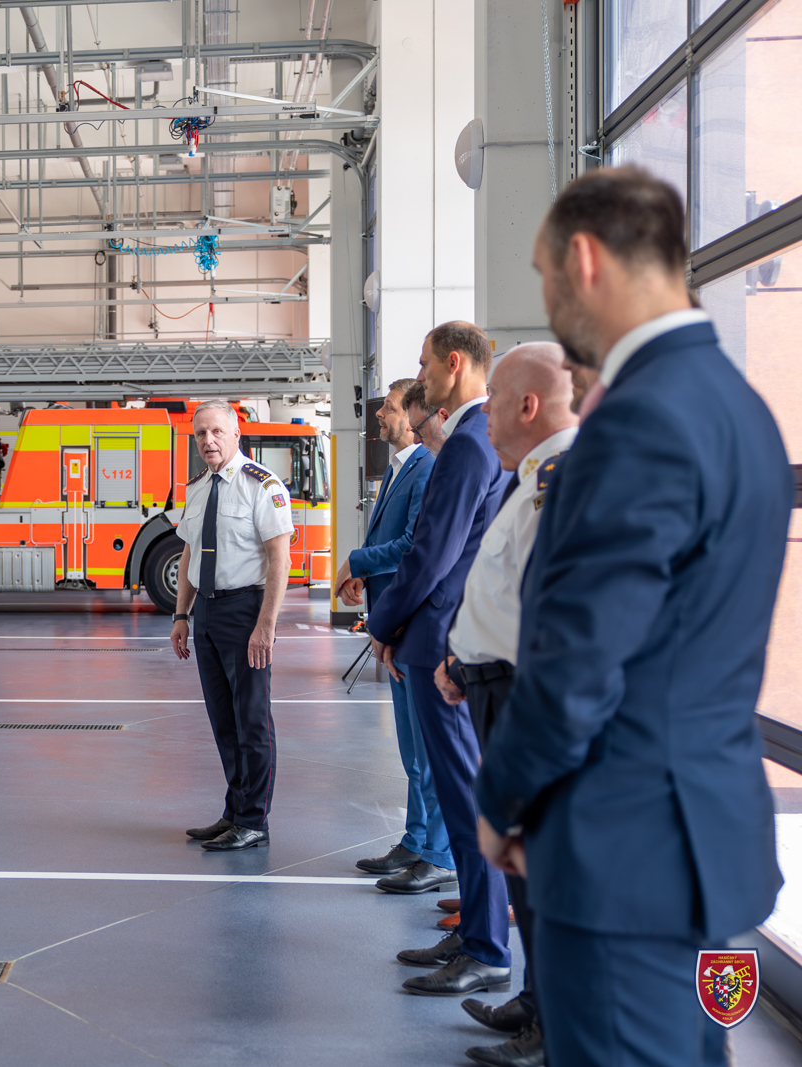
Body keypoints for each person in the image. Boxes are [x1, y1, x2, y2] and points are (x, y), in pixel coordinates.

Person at [477, 167, 790, 1067]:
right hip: (697, 838)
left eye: (545, 276)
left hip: (622, 851)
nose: (550, 302)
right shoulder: (739, 409)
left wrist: (503, 797)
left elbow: (578, 658)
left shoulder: (638, 423)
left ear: (584, 260)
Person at [425, 343, 575, 1067]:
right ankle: (538, 999)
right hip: (492, 682)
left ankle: (556, 1026)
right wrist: (463, 658)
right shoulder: (531, 475)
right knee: (523, 868)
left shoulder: (562, 479)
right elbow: (504, 586)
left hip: (524, 696)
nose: (483, 416)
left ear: (528, 404)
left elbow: (555, 613)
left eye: (495, 403)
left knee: (543, 869)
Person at [366, 321, 513, 996]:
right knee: (462, 797)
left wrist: (383, 623)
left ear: (454, 364)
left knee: (465, 796)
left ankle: (485, 947)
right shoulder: (480, 439)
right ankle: (477, 931)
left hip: (439, 641)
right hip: (449, 635)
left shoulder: (467, 444)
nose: (420, 376)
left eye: (425, 365)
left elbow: (432, 555)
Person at [335, 381, 450, 882]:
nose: (379, 414)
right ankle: (417, 841)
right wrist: (365, 575)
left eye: (389, 407)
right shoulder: (400, 468)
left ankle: (437, 852)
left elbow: (410, 545)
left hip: (412, 622)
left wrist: (357, 560)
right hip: (394, 623)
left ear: (413, 417)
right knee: (411, 749)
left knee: (426, 748)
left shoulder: (426, 467)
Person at [169, 400, 295, 852]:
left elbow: (280, 559)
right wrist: (181, 614)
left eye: (217, 432)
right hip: (206, 611)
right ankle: (234, 811)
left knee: (252, 720)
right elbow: (189, 553)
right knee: (224, 721)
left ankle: (254, 820)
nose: (208, 441)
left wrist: (266, 626)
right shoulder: (197, 488)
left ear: (236, 434)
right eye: (201, 433)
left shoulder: (263, 485)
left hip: (246, 612)